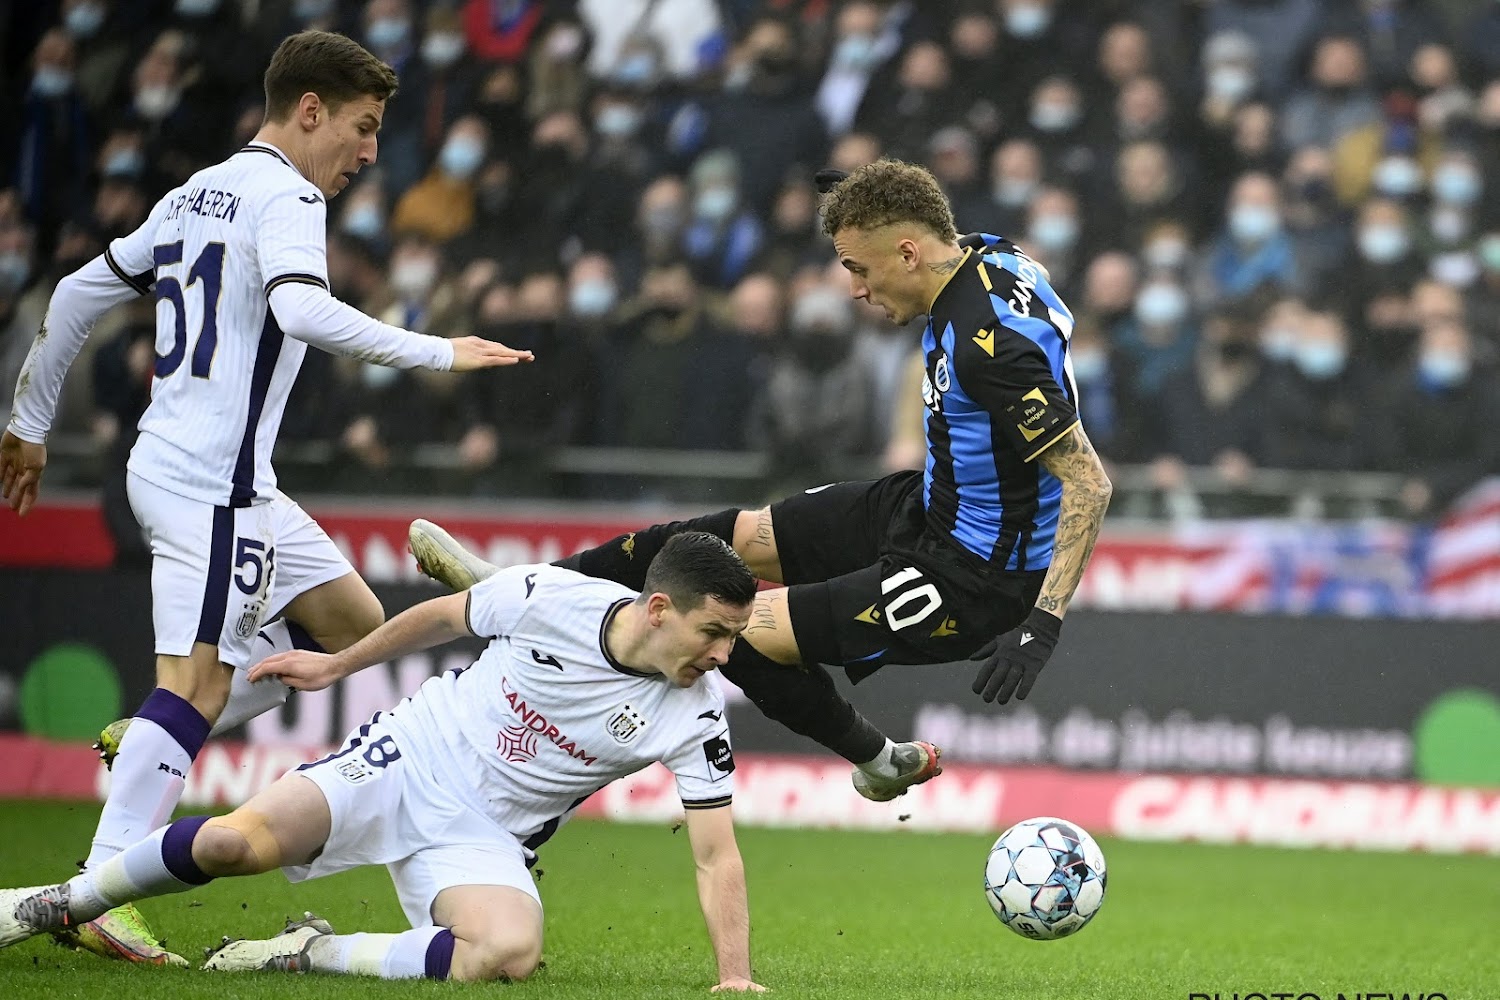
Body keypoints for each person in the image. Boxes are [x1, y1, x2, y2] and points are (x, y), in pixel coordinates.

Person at [0, 30, 531, 965]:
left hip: (208, 475)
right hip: (211, 488)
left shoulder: (197, 187)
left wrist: (30, 420)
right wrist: (437, 350)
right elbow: (300, 310)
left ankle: (166, 728)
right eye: (363, 130)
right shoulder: (288, 195)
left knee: (353, 621)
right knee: (198, 685)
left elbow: (80, 289)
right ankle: (98, 891)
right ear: (310, 110)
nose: (370, 154)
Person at [400, 159, 1113, 804]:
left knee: (731, 633)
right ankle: (522, 590)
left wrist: (1041, 625)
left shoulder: (992, 347)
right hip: (929, 505)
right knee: (717, 540)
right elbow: (918, 207)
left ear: (907, 253)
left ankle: (878, 759)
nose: (857, 291)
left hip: (974, 574)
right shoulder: (992, 255)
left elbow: (1089, 484)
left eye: (859, 270)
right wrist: (860, 189)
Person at [0, 533, 766, 992]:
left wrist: (734, 978)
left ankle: (313, 949)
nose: (723, 655)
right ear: (659, 608)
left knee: (507, 952)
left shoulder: (695, 712)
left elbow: (715, 856)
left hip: (487, 838)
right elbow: (439, 617)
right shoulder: (551, 596)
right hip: (408, 755)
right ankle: (55, 904)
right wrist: (338, 667)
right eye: (715, 632)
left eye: (733, 638)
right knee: (234, 845)